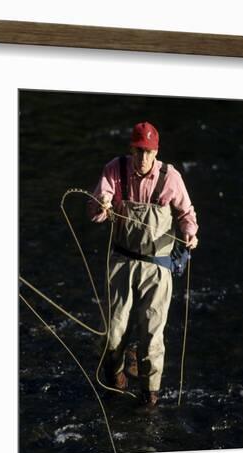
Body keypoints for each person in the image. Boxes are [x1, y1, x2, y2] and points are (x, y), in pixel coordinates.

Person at [88, 121, 199, 407]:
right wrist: (102, 204)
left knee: (151, 336)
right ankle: (115, 377)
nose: (143, 158)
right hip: (121, 262)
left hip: (158, 267)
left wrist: (190, 234)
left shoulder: (169, 177)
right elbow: (94, 213)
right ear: (131, 148)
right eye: (138, 151)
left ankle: (150, 395)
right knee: (113, 332)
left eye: (148, 152)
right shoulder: (115, 169)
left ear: (156, 151)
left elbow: (186, 212)